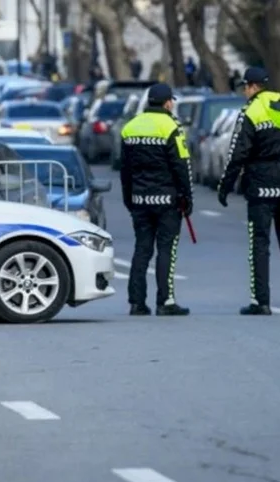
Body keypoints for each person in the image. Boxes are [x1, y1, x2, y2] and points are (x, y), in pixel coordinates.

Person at [217, 67, 280, 315]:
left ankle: (261, 301)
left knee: (259, 244)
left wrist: (225, 187)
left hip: (261, 188)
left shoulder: (250, 112)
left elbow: (237, 154)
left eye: (245, 88)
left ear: (250, 86)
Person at [120, 83, 193, 316]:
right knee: (166, 250)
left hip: (139, 200)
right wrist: (186, 196)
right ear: (168, 103)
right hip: (166, 201)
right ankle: (165, 301)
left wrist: (129, 199)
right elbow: (181, 165)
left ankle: (136, 302)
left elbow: (125, 170)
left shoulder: (130, 127)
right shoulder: (171, 126)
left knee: (142, 249)